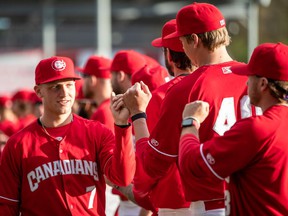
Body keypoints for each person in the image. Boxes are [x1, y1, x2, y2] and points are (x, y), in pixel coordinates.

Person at [123, 3, 254, 215]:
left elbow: (153, 164)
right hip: (257, 201)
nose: (182, 48)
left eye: (183, 41)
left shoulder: (186, 88)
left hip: (212, 205)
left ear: (194, 40)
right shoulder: (257, 79)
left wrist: (138, 114)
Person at [0, 56, 136, 215]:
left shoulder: (97, 132)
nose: (64, 93)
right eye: (55, 87)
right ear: (38, 91)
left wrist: (121, 126)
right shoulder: (18, 144)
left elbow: (123, 178)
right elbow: (7, 205)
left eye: (69, 85)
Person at [179, 42, 288, 215]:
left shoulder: (258, 128)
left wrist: (190, 122)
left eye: (250, 76)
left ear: (263, 84)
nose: (246, 81)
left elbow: (192, 164)